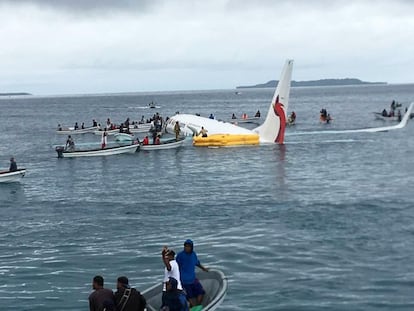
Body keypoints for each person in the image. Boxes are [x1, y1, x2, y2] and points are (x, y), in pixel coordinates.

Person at [176, 239, 208, 308]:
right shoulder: (180, 255)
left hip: (193, 279)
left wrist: (204, 268)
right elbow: (176, 267)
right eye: (185, 246)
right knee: (189, 296)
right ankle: (193, 307)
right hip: (184, 281)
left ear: (191, 247)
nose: (186, 248)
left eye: (188, 246)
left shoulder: (193, 254)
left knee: (201, 292)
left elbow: (197, 263)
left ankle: (197, 306)